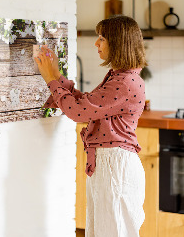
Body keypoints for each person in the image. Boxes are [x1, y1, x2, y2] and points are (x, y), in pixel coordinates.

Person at [35, 15, 147, 237]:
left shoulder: (124, 82)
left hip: (115, 167)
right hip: (110, 164)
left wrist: (50, 79)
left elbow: (78, 112)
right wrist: (57, 75)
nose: (96, 43)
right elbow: (86, 104)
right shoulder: (120, 77)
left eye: (102, 38)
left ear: (118, 43)